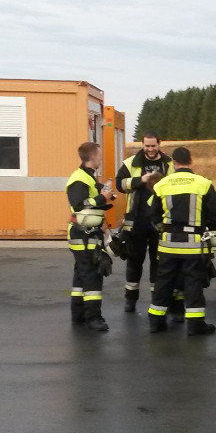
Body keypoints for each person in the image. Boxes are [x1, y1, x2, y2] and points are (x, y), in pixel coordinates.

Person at [147, 147, 216, 336]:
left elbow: (153, 215)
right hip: (193, 245)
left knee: (163, 282)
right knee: (193, 283)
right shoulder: (203, 184)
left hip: (168, 244)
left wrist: (164, 229)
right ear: (191, 161)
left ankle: (156, 321)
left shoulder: (161, 185)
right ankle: (195, 325)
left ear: (173, 163)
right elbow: (215, 215)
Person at [116, 130, 174, 313]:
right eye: (147, 146)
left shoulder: (168, 163)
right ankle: (130, 299)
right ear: (142, 145)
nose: (150, 149)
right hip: (136, 220)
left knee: (159, 262)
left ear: (159, 144)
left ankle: (157, 300)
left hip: (159, 219)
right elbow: (119, 184)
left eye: (153, 146)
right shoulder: (131, 163)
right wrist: (140, 180)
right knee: (134, 261)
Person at [66, 142, 115, 331]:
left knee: (82, 275)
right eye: (100, 155)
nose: (101, 158)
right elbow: (80, 204)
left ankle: (78, 316)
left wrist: (106, 195)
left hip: (88, 233)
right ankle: (93, 318)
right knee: (92, 276)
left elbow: (91, 202)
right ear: (93, 156)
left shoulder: (88, 177)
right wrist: (103, 197)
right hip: (83, 235)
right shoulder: (79, 179)